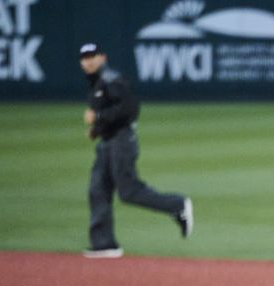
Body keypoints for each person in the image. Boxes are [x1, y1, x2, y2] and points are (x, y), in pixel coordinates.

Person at [79, 43, 192, 258]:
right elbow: (112, 111)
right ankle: (104, 244)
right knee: (97, 190)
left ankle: (177, 205)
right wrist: (97, 130)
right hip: (107, 141)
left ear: (102, 57)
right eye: (84, 57)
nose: (88, 61)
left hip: (121, 142)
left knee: (129, 191)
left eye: (92, 56)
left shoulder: (111, 79)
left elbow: (129, 108)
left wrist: (99, 119)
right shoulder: (97, 81)